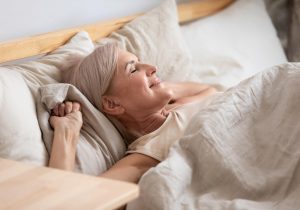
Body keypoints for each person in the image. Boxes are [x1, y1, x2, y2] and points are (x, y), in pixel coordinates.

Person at [48, 43, 217, 183]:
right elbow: (66, 201)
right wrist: (67, 132)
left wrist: (161, 88)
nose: (153, 68)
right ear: (112, 104)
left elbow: (210, 89)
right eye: (133, 69)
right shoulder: (147, 154)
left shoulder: (180, 104)